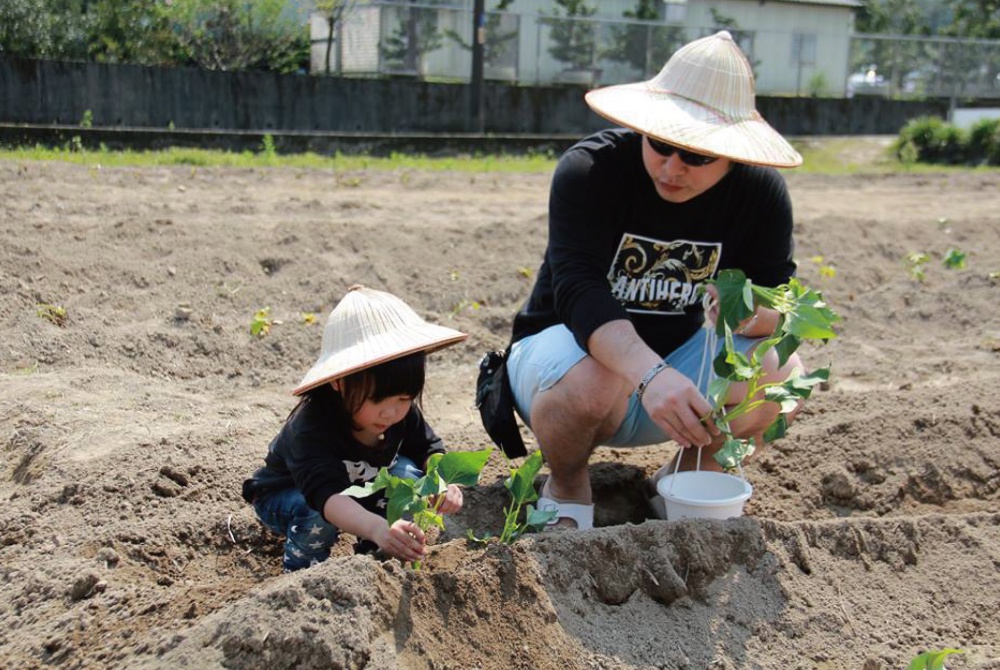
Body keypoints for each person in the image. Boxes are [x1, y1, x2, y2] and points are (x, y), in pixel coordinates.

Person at [504, 31, 806, 531]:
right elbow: (578, 292)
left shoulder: (760, 196)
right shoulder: (591, 171)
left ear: (731, 154)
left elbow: (779, 304)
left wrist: (746, 309)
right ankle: (567, 487)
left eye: (696, 157)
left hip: (677, 371)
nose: (671, 167)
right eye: (661, 145)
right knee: (596, 374)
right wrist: (650, 375)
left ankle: (677, 487)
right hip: (563, 369)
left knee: (783, 375)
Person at [242, 285, 468, 571]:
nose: (391, 412)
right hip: (292, 495)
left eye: (404, 399)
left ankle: (380, 558)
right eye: (376, 399)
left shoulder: (402, 414)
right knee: (316, 516)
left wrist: (440, 479)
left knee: (411, 480)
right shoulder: (311, 426)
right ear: (339, 382)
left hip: (356, 486)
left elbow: (429, 448)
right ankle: (302, 573)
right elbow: (326, 496)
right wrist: (374, 526)